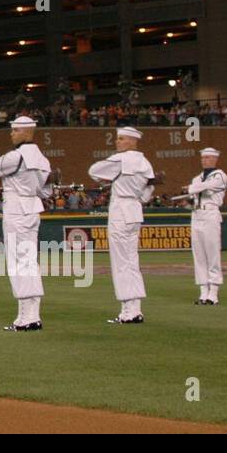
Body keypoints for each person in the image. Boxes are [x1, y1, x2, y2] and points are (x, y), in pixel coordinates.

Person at [0, 115, 51, 331]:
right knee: (29, 261)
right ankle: (32, 315)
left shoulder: (16, 156)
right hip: (32, 209)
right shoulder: (42, 159)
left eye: (14, 130)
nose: (11, 134)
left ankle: (26, 318)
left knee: (18, 263)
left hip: (16, 210)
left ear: (24, 132)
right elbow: (44, 190)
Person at [88, 125, 156, 324]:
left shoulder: (121, 159)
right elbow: (147, 191)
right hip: (135, 208)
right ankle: (134, 308)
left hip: (120, 209)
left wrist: (110, 179)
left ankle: (128, 310)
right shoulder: (145, 162)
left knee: (121, 262)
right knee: (131, 261)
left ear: (133, 141)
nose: (117, 142)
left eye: (122, 139)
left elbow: (93, 171)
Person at [185, 147, 227, 306]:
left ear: (215, 159)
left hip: (211, 213)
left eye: (208, 157)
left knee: (212, 253)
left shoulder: (220, 175)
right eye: (203, 157)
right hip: (196, 214)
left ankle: (214, 293)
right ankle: (203, 292)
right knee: (199, 255)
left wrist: (189, 189)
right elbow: (193, 195)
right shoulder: (197, 178)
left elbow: (206, 188)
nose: (205, 160)